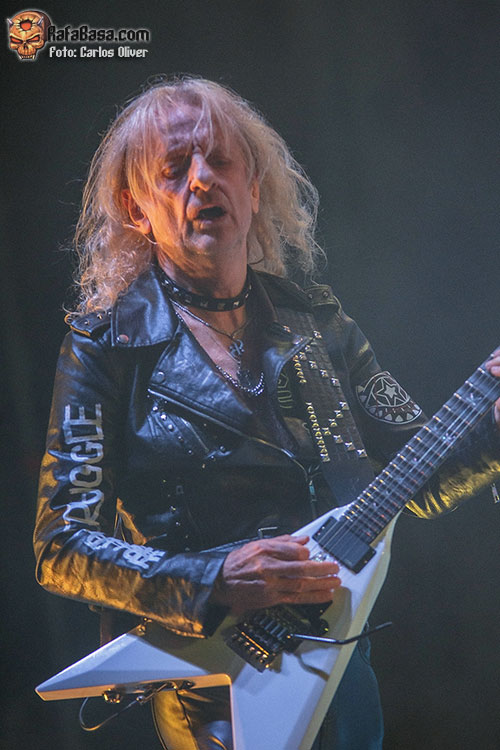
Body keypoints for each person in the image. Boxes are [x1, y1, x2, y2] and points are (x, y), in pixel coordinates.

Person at [34, 76, 500, 750]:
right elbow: (61, 546)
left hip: (339, 657)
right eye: (174, 169)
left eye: (222, 161)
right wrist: (215, 578)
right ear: (137, 209)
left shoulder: (319, 323)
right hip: (212, 682)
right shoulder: (105, 347)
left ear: (253, 189)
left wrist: (492, 431)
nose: (202, 179)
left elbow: (415, 474)